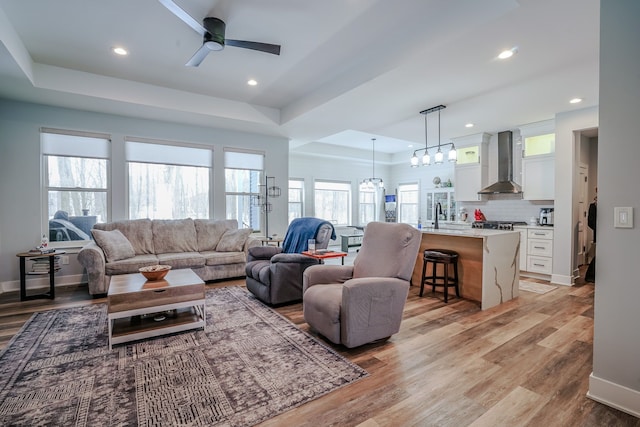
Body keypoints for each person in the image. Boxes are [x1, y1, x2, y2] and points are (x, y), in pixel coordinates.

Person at [585, 190, 597, 282]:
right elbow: (590, 221)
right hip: (598, 233)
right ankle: (590, 276)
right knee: (598, 255)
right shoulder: (593, 206)